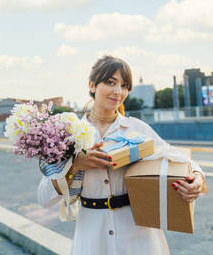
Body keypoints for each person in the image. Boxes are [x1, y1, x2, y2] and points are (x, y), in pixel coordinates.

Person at [38, 55, 207, 255]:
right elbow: (44, 198)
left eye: (125, 85)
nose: (119, 92)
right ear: (92, 85)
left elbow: (179, 158)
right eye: (111, 82)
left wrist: (197, 178)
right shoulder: (69, 135)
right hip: (92, 239)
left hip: (140, 239)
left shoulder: (136, 128)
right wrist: (74, 165)